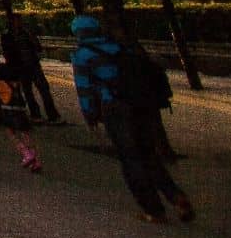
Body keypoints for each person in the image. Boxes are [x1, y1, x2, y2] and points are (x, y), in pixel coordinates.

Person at [71, 14, 193, 224]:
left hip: (116, 110)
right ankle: (175, 195)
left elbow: (84, 89)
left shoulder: (82, 55)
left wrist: (90, 114)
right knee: (148, 155)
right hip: (139, 107)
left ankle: (153, 210)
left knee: (131, 160)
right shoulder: (119, 47)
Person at [0, 61, 41, 173]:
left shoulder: (1, 85)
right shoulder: (16, 84)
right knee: (26, 135)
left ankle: (26, 154)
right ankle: (35, 160)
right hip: (21, 113)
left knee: (12, 135)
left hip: (10, 114)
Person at [1, 14, 63, 124]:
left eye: (20, 20)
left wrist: (32, 38)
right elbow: (7, 52)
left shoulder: (27, 33)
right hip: (21, 67)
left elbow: (38, 48)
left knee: (44, 90)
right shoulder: (7, 36)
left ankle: (52, 114)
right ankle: (36, 114)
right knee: (28, 91)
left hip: (33, 65)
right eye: (17, 21)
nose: (19, 23)